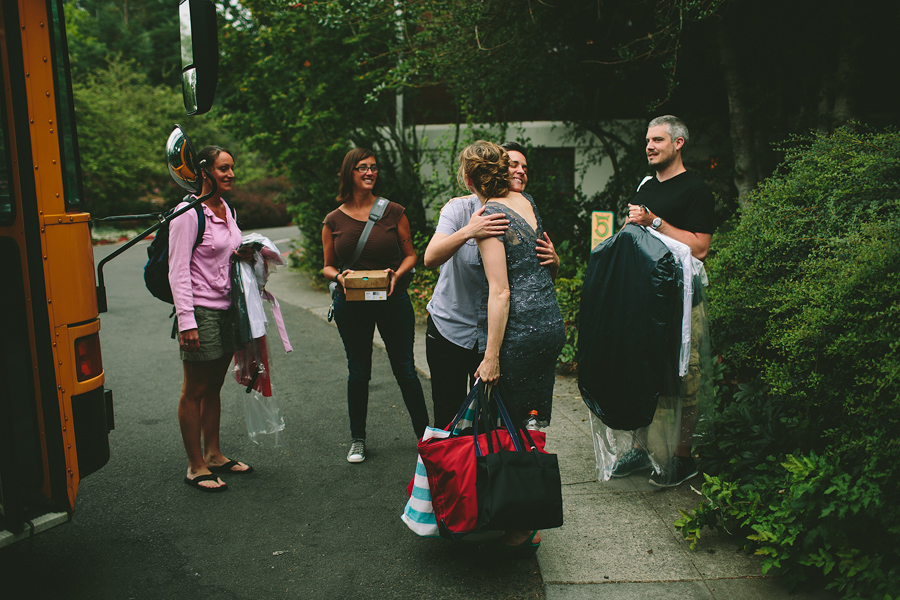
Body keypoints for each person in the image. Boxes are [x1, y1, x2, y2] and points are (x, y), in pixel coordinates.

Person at [459, 140, 566, 552]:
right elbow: (540, 263)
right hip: (550, 324)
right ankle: (526, 511)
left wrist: (490, 357)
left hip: (519, 332)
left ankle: (522, 524)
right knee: (534, 418)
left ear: (470, 179)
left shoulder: (488, 217)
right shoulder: (525, 200)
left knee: (511, 424)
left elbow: (500, 292)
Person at [423, 142, 559, 429]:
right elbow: (430, 257)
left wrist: (553, 262)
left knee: (494, 425)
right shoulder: (459, 209)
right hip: (452, 328)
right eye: (513, 165)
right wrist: (469, 231)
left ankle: (485, 473)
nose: (519, 172)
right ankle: (451, 471)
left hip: (497, 333)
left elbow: (529, 281)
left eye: (524, 166)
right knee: (448, 417)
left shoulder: (522, 207)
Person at [621, 115, 716, 487]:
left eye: (658, 140)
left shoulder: (696, 190)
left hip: (684, 300)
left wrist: (654, 221)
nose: (649, 146)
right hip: (646, 299)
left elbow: (700, 248)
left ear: (678, 143)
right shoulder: (644, 186)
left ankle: (683, 458)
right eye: (647, 140)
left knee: (686, 378)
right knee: (642, 371)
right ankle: (640, 449)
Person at [322, 148, 430, 463]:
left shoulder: (393, 211)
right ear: (349, 173)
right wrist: (340, 277)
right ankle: (358, 439)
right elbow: (328, 266)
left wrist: (398, 273)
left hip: (392, 299)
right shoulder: (333, 219)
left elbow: (411, 254)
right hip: (352, 302)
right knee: (358, 372)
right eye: (362, 168)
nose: (369, 173)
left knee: (406, 370)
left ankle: (425, 438)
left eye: (373, 168)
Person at [170, 145, 254, 493]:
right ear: (205, 171)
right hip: (200, 312)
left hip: (227, 308)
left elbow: (224, 252)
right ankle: (195, 465)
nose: (231, 174)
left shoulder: (226, 208)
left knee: (215, 386)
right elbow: (177, 271)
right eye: (223, 168)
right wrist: (187, 322)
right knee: (195, 389)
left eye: (232, 168)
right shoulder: (188, 212)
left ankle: (214, 454)